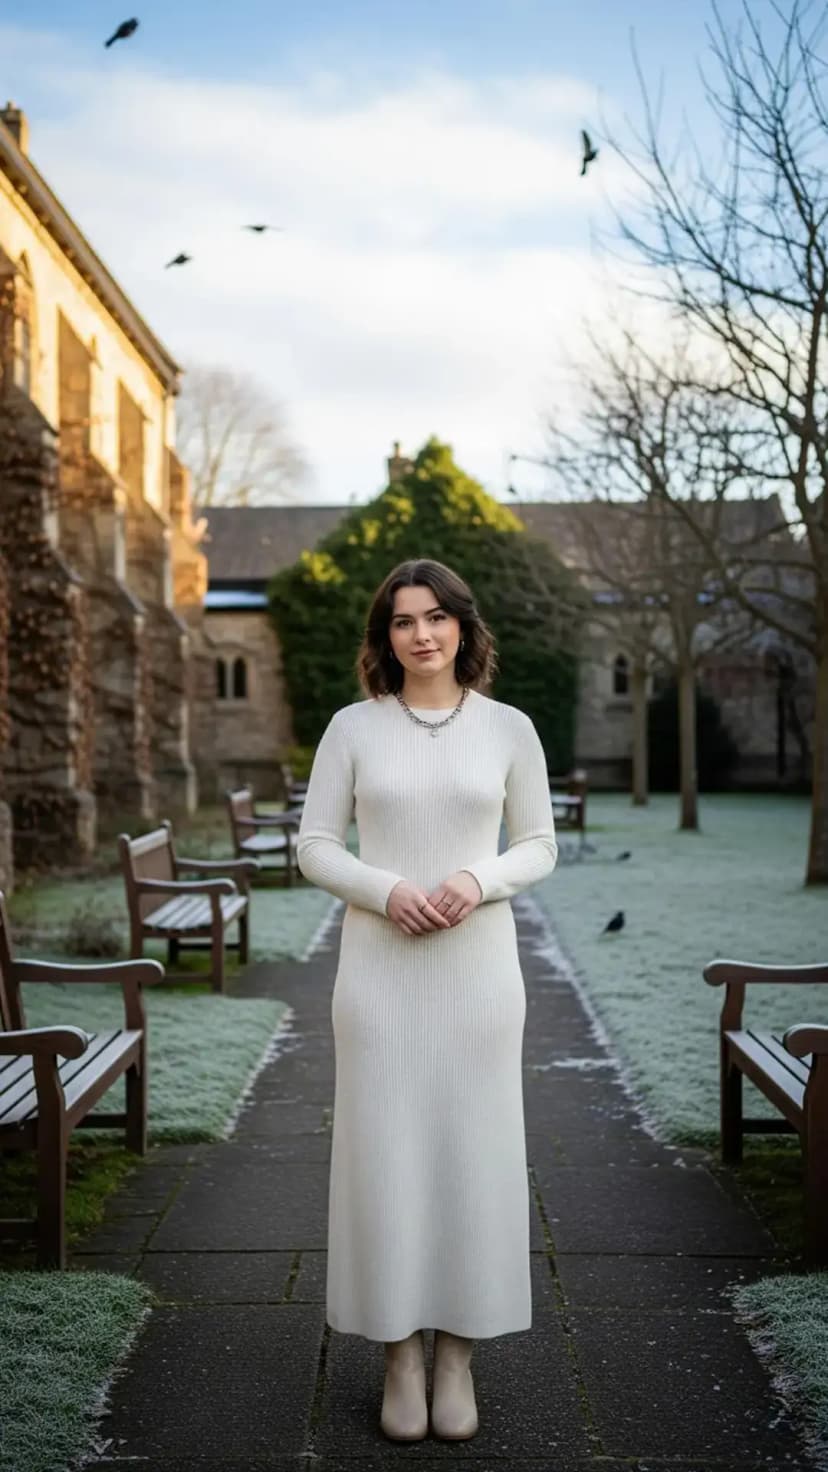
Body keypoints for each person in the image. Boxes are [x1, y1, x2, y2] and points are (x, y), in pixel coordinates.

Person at [296, 557, 558, 1442]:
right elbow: (316, 845)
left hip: (479, 979)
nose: (422, 634)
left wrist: (473, 878)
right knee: (386, 1159)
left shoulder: (510, 728)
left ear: (462, 627)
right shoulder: (352, 729)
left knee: (474, 1160)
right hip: (378, 977)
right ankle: (400, 1353)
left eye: (437, 617)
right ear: (386, 637)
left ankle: (459, 1357)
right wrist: (383, 888)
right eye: (404, 621)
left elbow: (539, 845)